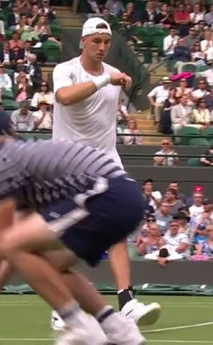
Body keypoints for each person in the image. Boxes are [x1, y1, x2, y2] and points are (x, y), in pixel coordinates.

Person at [0, 107, 146, 344]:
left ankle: (81, 327)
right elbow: (12, 254)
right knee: (44, 260)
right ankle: (119, 329)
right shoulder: (23, 162)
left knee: (11, 242)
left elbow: (1, 240)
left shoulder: (4, 160)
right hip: (125, 197)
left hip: (108, 194)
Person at [50, 17, 161, 329]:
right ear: (83, 41)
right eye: (96, 41)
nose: (101, 47)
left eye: (106, 42)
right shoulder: (66, 70)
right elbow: (65, 97)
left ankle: (127, 303)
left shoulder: (114, 75)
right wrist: (106, 81)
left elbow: (137, 104)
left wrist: (135, 88)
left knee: (119, 228)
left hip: (106, 160)